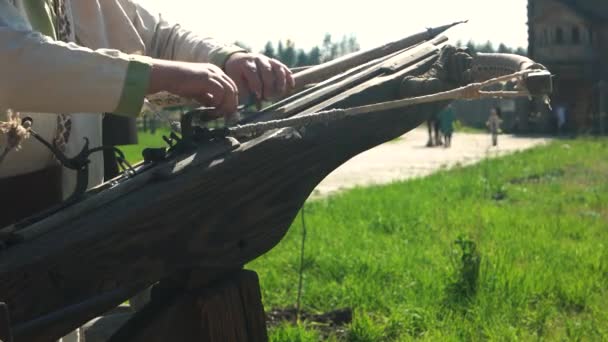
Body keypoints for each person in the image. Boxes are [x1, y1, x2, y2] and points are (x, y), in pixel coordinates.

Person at [0, 0, 294, 228]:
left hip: (65, 206)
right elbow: (11, 61)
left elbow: (152, 37)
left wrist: (227, 59)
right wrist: (158, 76)